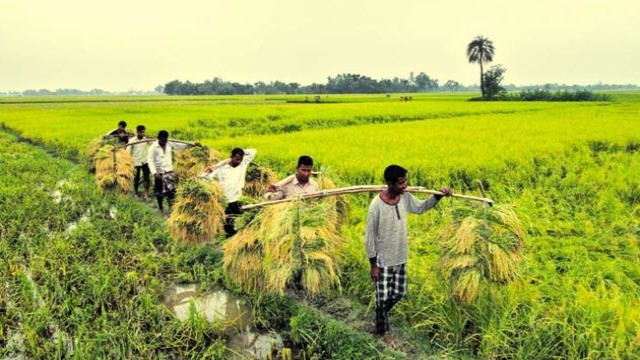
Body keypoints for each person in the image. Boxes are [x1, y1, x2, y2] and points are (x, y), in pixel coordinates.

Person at [365, 165, 451, 346]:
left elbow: (420, 208)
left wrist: (437, 196)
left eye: (406, 181)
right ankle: (385, 332)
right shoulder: (376, 206)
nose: (405, 185)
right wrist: (373, 264)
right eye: (401, 182)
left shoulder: (405, 198)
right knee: (382, 298)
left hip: (401, 257)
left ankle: (379, 319)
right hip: (383, 260)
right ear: (389, 183)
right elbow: (370, 236)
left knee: (398, 294)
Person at [203, 147, 257, 238]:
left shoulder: (243, 164)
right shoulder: (221, 168)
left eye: (240, 159)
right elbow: (206, 177)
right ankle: (229, 241)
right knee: (228, 223)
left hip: (238, 198)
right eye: (236, 159)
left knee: (242, 219)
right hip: (226, 199)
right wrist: (206, 172)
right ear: (231, 157)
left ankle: (241, 239)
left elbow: (253, 151)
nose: (239, 162)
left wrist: (241, 151)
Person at [147, 130, 199, 213]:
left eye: (165, 140)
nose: (164, 142)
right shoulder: (153, 147)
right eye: (162, 140)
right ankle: (160, 207)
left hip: (169, 172)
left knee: (171, 192)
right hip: (159, 173)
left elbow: (180, 146)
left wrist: (192, 144)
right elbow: (150, 160)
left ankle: (171, 209)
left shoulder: (169, 143)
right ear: (159, 138)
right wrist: (154, 173)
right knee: (159, 192)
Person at [127, 125, 151, 201]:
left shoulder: (145, 140)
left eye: (144, 132)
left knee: (147, 178)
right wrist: (129, 162)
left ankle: (146, 194)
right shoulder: (132, 141)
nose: (143, 133)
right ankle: (135, 193)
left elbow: (153, 143)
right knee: (136, 178)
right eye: (142, 132)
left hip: (145, 161)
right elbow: (128, 152)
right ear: (137, 132)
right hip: (136, 162)